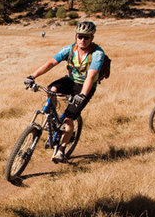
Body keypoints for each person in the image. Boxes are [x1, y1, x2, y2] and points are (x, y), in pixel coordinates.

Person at [24, 20, 106, 163]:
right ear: (76, 36)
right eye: (80, 36)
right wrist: (32, 76)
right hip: (70, 81)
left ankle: (61, 150)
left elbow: (91, 75)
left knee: (68, 119)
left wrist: (82, 95)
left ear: (92, 38)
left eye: (86, 37)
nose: (82, 40)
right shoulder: (69, 49)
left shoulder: (97, 54)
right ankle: (54, 119)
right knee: (51, 90)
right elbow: (50, 63)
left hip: (85, 86)